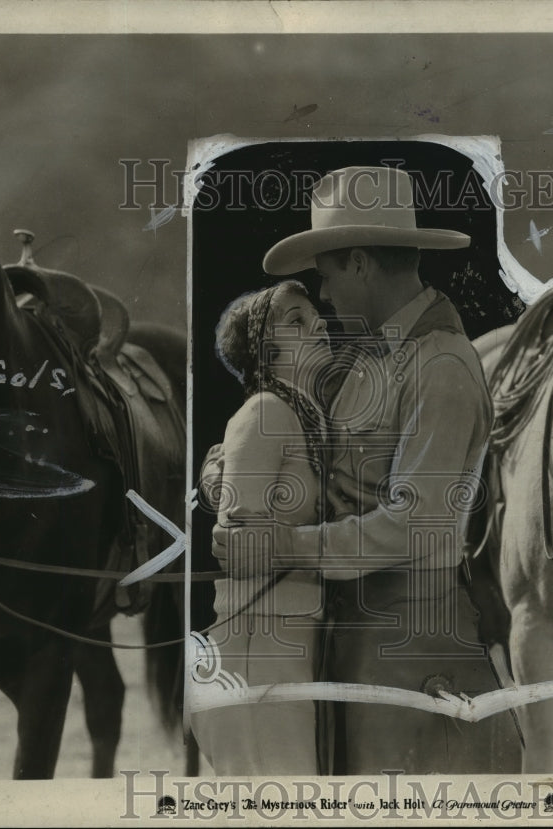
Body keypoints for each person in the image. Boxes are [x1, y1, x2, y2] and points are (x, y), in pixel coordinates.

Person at [216, 166, 521, 773]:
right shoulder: (375, 357)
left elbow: (413, 522)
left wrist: (283, 546)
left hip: (410, 639)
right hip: (357, 631)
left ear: (358, 262)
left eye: (326, 276)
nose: (324, 297)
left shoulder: (441, 366)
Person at [191, 279, 333, 775]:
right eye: (296, 320)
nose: (317, 324)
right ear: (265, 353)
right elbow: (242, 543)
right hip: (256, 643)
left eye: (313, 314)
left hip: (290, 637)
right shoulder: (264, 411)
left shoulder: (305, 416)